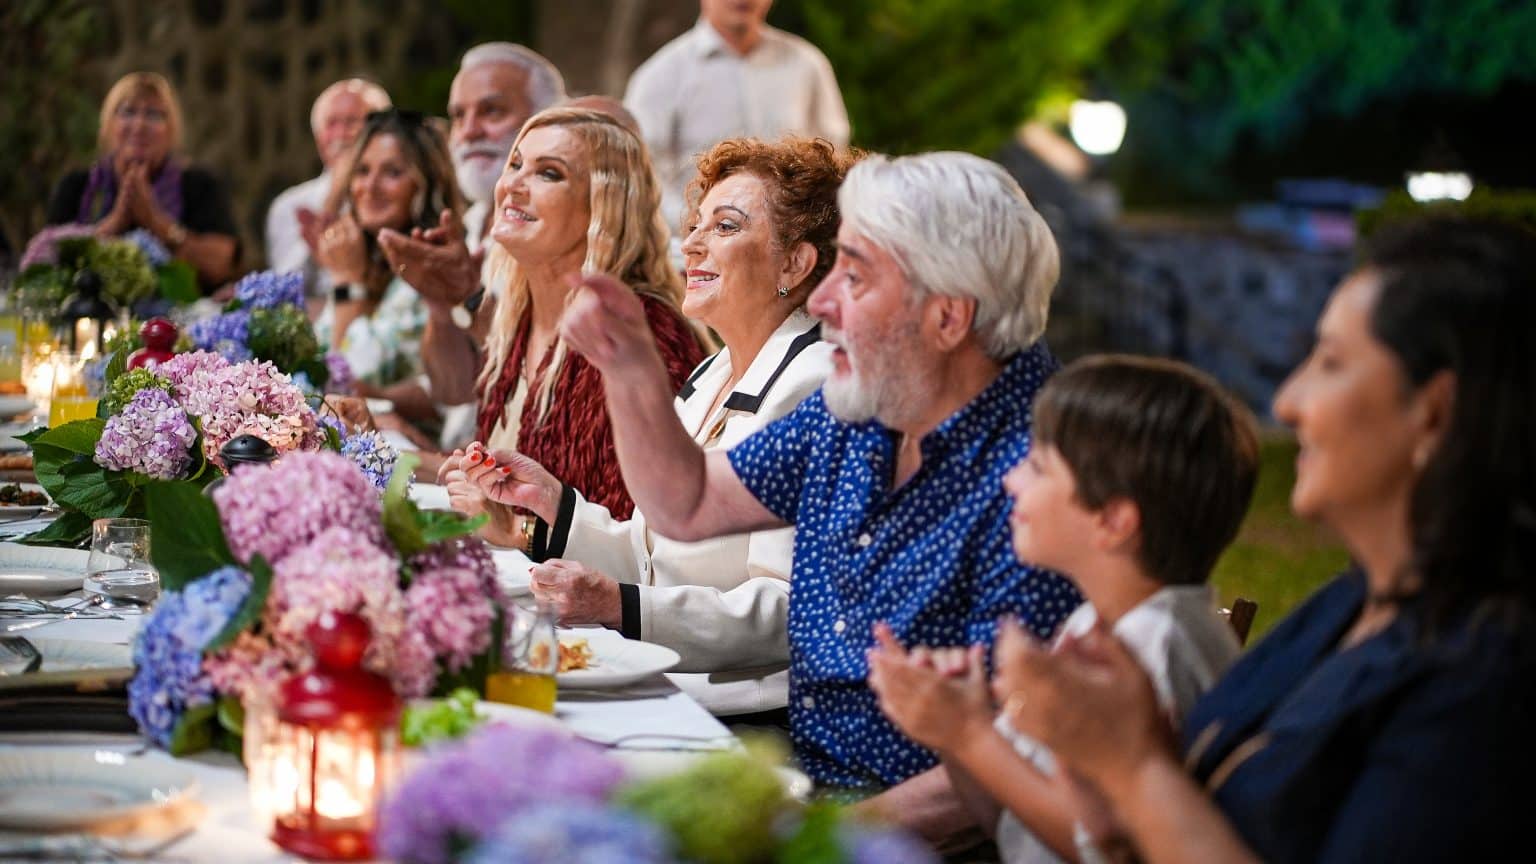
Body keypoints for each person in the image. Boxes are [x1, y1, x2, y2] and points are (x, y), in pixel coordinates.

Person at [510, 150, 1080, 838]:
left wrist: (808, 843)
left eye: (857, 275)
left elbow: (1008, 768)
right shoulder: (863, 407)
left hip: (907, 835)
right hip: (798, 779)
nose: (822, 299)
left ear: (949, 319)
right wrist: (628, 364)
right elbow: (688, 503)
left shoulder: (1041, 479)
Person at [1002, 218, 1536, 863]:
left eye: (1332, 363)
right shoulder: (1352, 603)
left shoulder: (1483, 679)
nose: (1287, 402)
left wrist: (1133, 767)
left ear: (1435, 412)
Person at [457, 137, 850, 718]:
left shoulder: (815, 385)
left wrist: (620, 607)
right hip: (676, 683)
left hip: (751, 714)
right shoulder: (716, 370)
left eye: (724, 227)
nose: (690, 243)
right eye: (696, 224)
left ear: (794, 262)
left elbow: (788, 609)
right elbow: (653, 560)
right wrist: (554, 507)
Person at [868, 354, 1258, 863]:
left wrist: (971, 733)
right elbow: (1010, 824)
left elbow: (1101, 848)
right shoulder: (1097, 622)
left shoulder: (1152, 650)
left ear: (1113, 521)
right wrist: (956, 732)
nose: (1011, 483)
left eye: (1037, 467)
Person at [440, 107, 705, 522]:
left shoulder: (641, 334)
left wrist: (517, 529)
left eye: (548, 173)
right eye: (515, 164)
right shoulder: (518, 319)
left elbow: (643, 535)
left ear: (604, 208)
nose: (513, 185)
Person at [377, 43, 566, 456]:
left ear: (547, 122)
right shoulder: (466, 226)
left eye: (492, 111)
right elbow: (456, 391)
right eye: (459, 115)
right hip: (461, 458)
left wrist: (468, 296)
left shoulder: (566, 233)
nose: (469, 131)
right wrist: (441, 310)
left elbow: (554, 376)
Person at [625, 0, 850, 233]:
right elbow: (641, 171)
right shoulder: (661, 75)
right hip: (693, 249)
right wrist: (695, 223)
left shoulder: (806, 64)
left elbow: (832, 156)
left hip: (791, 243)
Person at [313, 109, 462, 417]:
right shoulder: (366, 257)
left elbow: (352, 375)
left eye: (392, 172)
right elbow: (322, 365)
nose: (370, 187)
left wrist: (348, 283)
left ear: (426, 184)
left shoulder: (433, 268)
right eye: (362, 171)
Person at [46, 71, 239, 289]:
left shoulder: (199, 185)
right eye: (127, 112)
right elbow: (47, 264)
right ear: (108, 126)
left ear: (171, 130)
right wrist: (115, 222)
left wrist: (158, 224)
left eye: (154, 115)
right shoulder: (77, 186)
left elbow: (222, 265)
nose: (139, 126)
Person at [264, 78, 391, 294]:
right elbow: (285, 292)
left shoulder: (393, 193)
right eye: (331, 123)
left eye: (352, 122)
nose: (341, 134)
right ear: (318, 137)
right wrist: (332, 201)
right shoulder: (289, 204)